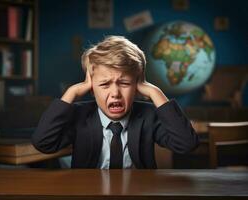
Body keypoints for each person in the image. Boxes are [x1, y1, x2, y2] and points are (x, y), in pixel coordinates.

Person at [31, 35, 199, 169]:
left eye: (125, 83)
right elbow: (43, 143)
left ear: (137, 86)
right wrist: (72, 92)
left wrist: (154, 91)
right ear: (91, 88)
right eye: (104, 84)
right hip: (89, 193)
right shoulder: (79, 116)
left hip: (138, 192)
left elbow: (187, 144)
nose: (115, 93)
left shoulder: (148, 116)